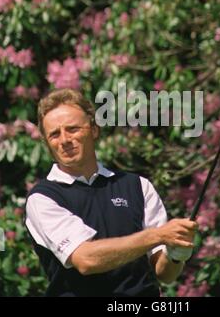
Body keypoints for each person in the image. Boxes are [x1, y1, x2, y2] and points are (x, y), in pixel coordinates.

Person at [25, 88, 197, 297]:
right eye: (54, 134)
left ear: (94, 130)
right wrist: (158, 235)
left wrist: (176, 254)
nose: (64, 140)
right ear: (47, 143)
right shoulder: (43, 198)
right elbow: (86, 259)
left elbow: (164, 274)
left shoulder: (138, 186)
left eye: (72, 129)